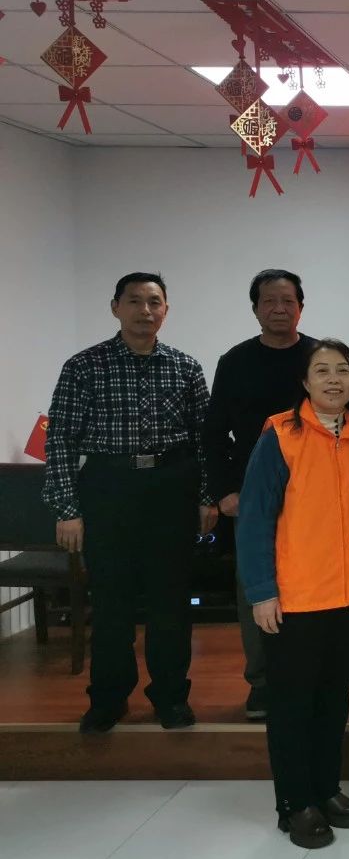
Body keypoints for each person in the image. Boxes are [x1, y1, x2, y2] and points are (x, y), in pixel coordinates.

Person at [44, 272, 217, 734]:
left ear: (166, 310)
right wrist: (67, 509)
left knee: (171, 603)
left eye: (154, 302)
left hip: (171, 487)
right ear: (115, 307)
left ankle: (170, 698)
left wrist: (206, 498)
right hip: (109, 487)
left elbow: (204, 438)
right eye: (135, 301)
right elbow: (60, 439)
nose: (145, 311)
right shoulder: (84, 366)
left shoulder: (185, 367)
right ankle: (108, 699)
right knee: (111, 603)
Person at [237, 338, 349, 850]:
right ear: (305, 381)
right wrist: (261, 592)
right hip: (294, 599)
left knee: (333, 699)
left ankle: (326, 788)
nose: (334, 380)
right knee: (292, 705)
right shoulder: (281, 435)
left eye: (342, 370)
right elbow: (254, 518)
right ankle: (294, 803)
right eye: (322, 371)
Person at [204, 268, 313, 722]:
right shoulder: (235, 361)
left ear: (301, 307)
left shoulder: (318, 357)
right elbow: (213, 433)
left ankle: (303, 678)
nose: (279, 309)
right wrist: (225, 491)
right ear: (255, 309)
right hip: (252, 495)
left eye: (288, 301)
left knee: (308, 588)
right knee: (256, 586)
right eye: (269, 301)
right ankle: (262, 683)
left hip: (311, 492)